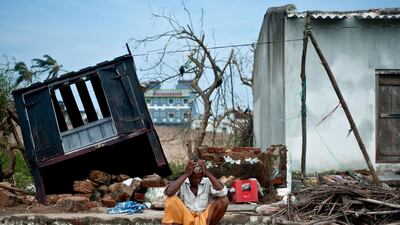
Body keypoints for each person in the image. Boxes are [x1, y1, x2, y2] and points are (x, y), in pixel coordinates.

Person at [162, 159, 229, 225]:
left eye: (200, 178)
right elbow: (169, 192)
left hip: (204, 219)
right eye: (194, 178)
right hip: (186, 218)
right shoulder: (181, 182)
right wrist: (186, 174)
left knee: (224, 200)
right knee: (170, 199)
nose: (197, 180)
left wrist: (207, 172)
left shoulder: (207, 181)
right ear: (189, 176)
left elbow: (223, 193)